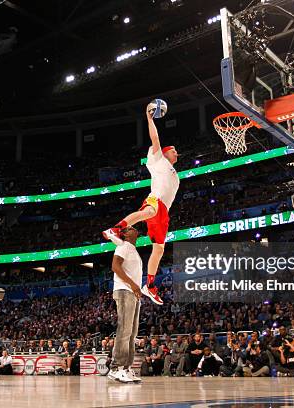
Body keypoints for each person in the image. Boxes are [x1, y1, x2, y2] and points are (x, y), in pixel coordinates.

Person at [102, 107, 179, 305]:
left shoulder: (173, 172)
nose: (176, 153)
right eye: (173, 150)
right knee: (149, 211)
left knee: (159, 249)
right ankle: (116, 228)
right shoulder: (157, 159)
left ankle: (150, 285)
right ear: (164, 153)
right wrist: (148, 117)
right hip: (155, 200)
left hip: (165, 212)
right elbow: (155, 138)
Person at [107, 226, 143, 383]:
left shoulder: (132, 249)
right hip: (124, 290)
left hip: (133, 293)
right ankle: (116, 368)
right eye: (129, 228)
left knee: (132, 333)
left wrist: (136, 288)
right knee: (124, 330)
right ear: (125, 235)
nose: (132, 227)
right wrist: (133, 284)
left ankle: (126, 368)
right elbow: (115, 266)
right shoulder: (123, 246)